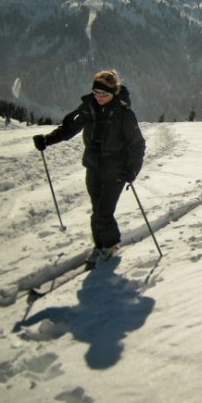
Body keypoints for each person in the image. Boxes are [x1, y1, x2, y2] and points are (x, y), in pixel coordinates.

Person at [32, 70, 146, 265]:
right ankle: (100, 245)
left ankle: (109, 247)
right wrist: (47, 140)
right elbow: (69, 130)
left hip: (117, 170)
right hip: (93, 168)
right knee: (97, 211)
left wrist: (133, 169)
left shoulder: (124, 114)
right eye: (97, 93)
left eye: (105, 95)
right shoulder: (88, 109)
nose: (100, 98)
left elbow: (137, 145)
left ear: (114, 92)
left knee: (104, 213)